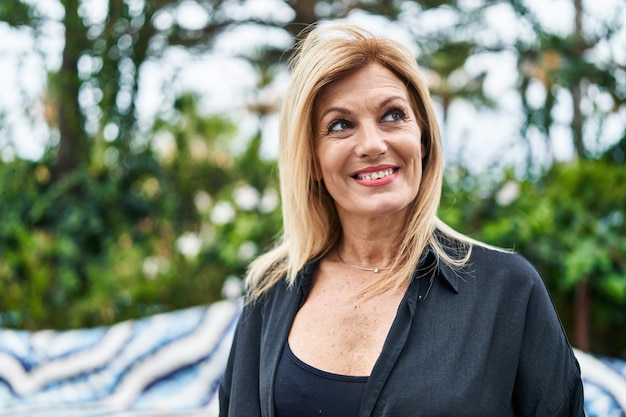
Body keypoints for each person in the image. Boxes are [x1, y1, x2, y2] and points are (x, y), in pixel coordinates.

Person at [218, 22, 584, 417]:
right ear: (311, 161)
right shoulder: (269, 293)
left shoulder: (509, 292)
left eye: (393, 115)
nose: (373, 144)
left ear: (423, 137)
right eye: (340, 125)